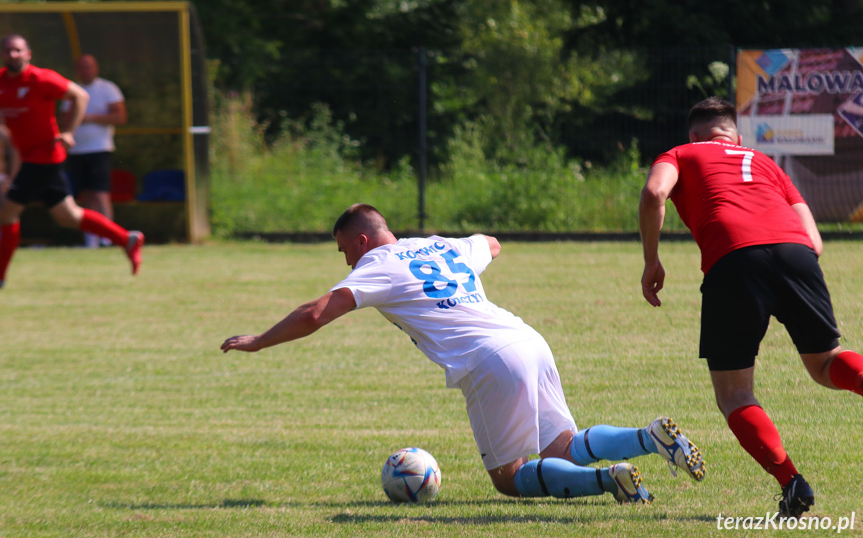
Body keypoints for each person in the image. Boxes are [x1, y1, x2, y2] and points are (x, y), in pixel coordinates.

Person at [221, 203, 706, 504]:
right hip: (528, 340)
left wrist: (260, 340)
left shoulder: (378, 264)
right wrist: (458, 258)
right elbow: (491, 244)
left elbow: (315, 313)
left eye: (345, 248)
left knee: (508, 478)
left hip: (489, 361)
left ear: (363, 240)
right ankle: (648, 438)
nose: (346, 259)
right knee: (562, 446)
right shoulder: (442, 246)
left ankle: (610, 481)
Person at [639, 97, 863, 518]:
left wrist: (652, 260)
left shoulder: (681, 153)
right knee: (826, 363)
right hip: (796, 252)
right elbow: (814, 241)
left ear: (694, 137)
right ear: (736, 138)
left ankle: (792, 482)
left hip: (734, 258)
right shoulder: (764, 161)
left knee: (735, 394)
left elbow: (654, 192)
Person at [0, 34, 143, 288]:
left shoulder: (41, 78)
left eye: (17, 50)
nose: (13, 55)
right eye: (8, 51)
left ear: (28, 54)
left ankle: (0, 276)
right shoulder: (2, 82)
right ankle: (126, 238)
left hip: (44, 157)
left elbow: (80, 96)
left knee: (7, 213)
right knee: (68, 215)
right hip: (31, 158)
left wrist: (67, 131)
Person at [64, 54, 127, 248]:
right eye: (82, 68)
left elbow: (120, 116)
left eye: (89, 67)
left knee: (100, 194)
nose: (85, 71)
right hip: (77, 151)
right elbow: (64, 117)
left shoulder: (108, 88)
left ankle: (109, 237)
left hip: (99, 150)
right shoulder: (71, 89)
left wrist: (88, 117)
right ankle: (91, 239)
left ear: (96, 68)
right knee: (85, 195)